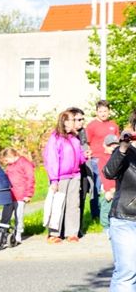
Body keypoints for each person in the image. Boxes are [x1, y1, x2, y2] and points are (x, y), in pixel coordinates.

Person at [102, 130, 136, 292]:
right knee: (127, 270)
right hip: (126, 218)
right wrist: (123, 147)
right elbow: (108, 172)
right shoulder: (125, 151)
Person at [42, 110, 84, 243]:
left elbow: (79, 157)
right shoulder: (55, 138)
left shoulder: (74, 138)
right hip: (61, 177)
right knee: (58, 205)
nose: (75, 122)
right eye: (72, 120)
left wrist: (84, 156)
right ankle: (54, 234)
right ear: (65, 121)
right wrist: (54, 180)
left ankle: (72, 233)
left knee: (73, 205)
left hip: (75, 175)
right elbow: (52, 160)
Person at [85, 100, 119, 229]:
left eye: (105, 111)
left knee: (112, 186)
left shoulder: (113, 125)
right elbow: (87, 143)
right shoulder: (92, 126)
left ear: (109, 111)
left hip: (112, 159)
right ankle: (96, 215)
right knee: (98, 188)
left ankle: (112, 212)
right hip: (97, 159)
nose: (103, 114)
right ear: (96, 112)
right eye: (100, 111)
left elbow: (117, 141)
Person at [0, 147, 35, 246]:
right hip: (10, 195)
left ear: (11, 156)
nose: (6, 162)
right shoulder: (10, 166)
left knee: (18, 216)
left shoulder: (24, 163)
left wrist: (29, 194)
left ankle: (18, 234)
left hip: (20, 195)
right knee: (5, 216)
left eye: (7, 160)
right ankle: (3, 233)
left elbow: (30, 178)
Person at [69, 106, 96, 229]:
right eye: (78, 119)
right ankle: (64, 229)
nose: (81, 122)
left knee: (81, 198)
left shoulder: (83, 133)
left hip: (84, 170)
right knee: (70, 202)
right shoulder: (65, 135)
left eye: (82, 119)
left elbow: (86, 148)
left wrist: (87, 154)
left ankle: (77, 228)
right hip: (70, 173)